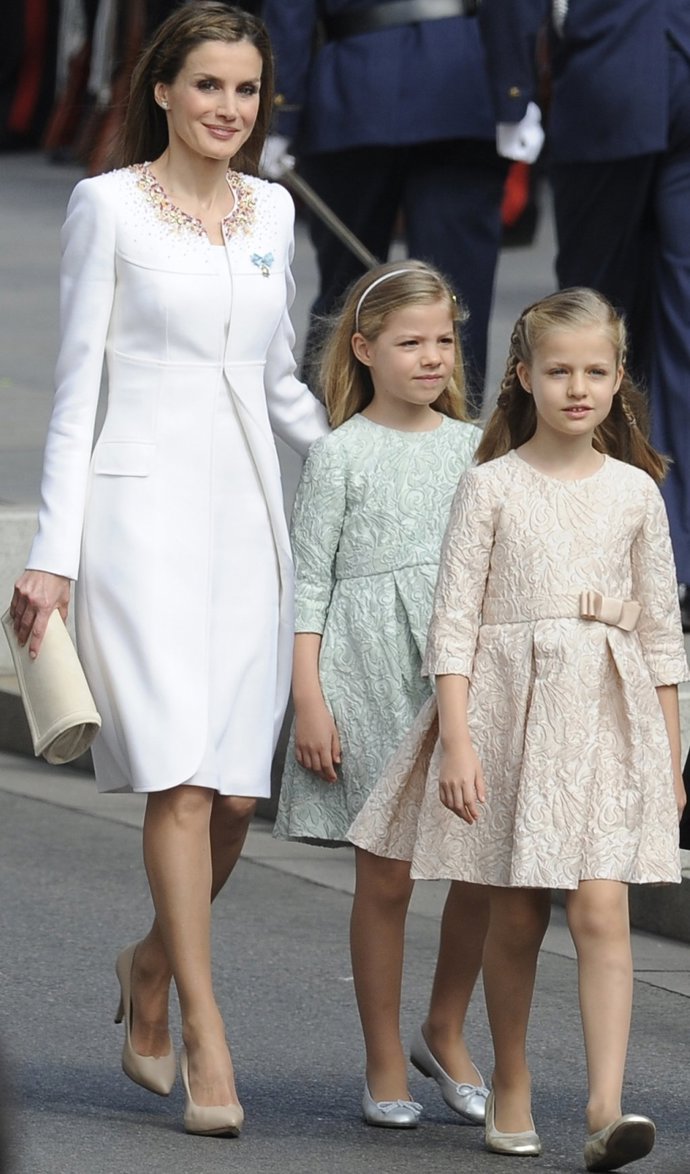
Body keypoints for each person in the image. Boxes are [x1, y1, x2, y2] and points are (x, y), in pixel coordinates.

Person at [8, 1, 328, 1138]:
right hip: (136, 521)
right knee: (182, 783)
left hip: (248, 521)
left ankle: (149, 963)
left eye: (245, 91)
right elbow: (77, 383)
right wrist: (52, 555)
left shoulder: (276, 212)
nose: (227, 110)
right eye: (207, 87)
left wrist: (371, 463)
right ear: (160, 89)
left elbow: (282, 379)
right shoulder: (106, 206)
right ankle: (205, 1028)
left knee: (240, 794)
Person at [350, 287, 688, 1168]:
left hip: (609, 724)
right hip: (509, 719)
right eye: (560, 370)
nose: (579, 388)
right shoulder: (490, 486)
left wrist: (672, 752)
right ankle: (511, 1082)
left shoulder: (637, 494)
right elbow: (453, 625)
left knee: (603, 906)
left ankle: (608, 1108)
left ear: (619, 380)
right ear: (524, 377)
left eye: (597, 371)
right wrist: (457, 740)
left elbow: (661, 636)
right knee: (515, 913)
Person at [274, 260, 490, 1128]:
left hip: (460, 677)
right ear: (364, 350)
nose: (432, 357)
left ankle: (445, 1026)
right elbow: (309, 589)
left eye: (443, 340)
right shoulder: (339, 453)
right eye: (410, 342)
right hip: (364, 671)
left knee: (481, 862)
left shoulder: (476, 447)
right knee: (389, 879)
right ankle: (380, 1061)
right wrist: (309, 700)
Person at [478, 0, 690, 628]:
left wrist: (515, 93)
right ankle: (610, 539)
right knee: (594, 332)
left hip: (614, 75)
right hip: (613, 80)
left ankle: (658, 552)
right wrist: (514, 90)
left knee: (624, 329)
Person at [260, 0, 509, 412]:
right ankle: (449, 452)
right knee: (454, 297)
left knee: (348, 292)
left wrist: (281, 110)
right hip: (460, 82)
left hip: (355, 86)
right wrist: (516, 92)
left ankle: (331, 445)